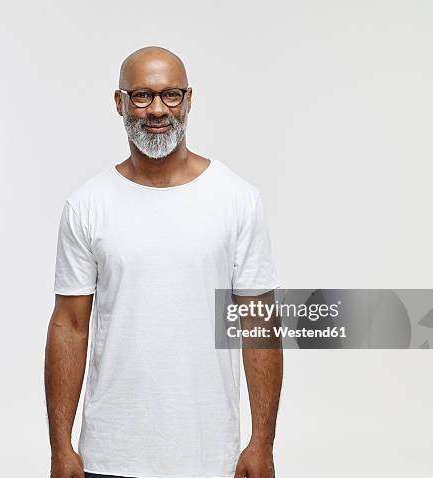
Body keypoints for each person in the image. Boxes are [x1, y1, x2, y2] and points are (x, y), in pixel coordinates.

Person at [45, 46, 283, 478]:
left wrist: (262, 443)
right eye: (141, 96)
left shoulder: (237, 200)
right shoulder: (86, 205)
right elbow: (70, 326)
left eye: (170, 95)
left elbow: (259, 322)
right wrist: (60, 446)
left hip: (210, 455)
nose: (157, 110)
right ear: (119, 102)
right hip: (110, 455)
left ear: (189, 100)